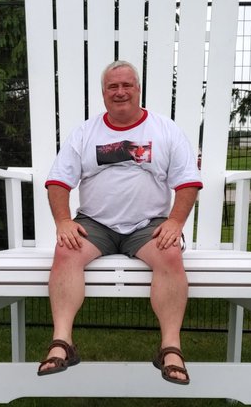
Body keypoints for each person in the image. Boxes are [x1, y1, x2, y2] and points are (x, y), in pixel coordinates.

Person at [37, 60, 200, 384]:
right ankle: (62, 342)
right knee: (66, 251)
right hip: (95, 224)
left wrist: (175, 222)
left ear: (138, 90)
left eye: (127, 85)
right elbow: (58, 181)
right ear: (103, 93)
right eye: (113, 86)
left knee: (170, 254)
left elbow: (187, 181)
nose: (120, 91)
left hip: (148, 225)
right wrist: (64, 221)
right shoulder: (85, 132)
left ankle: (170, 347)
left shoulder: (165, 130)